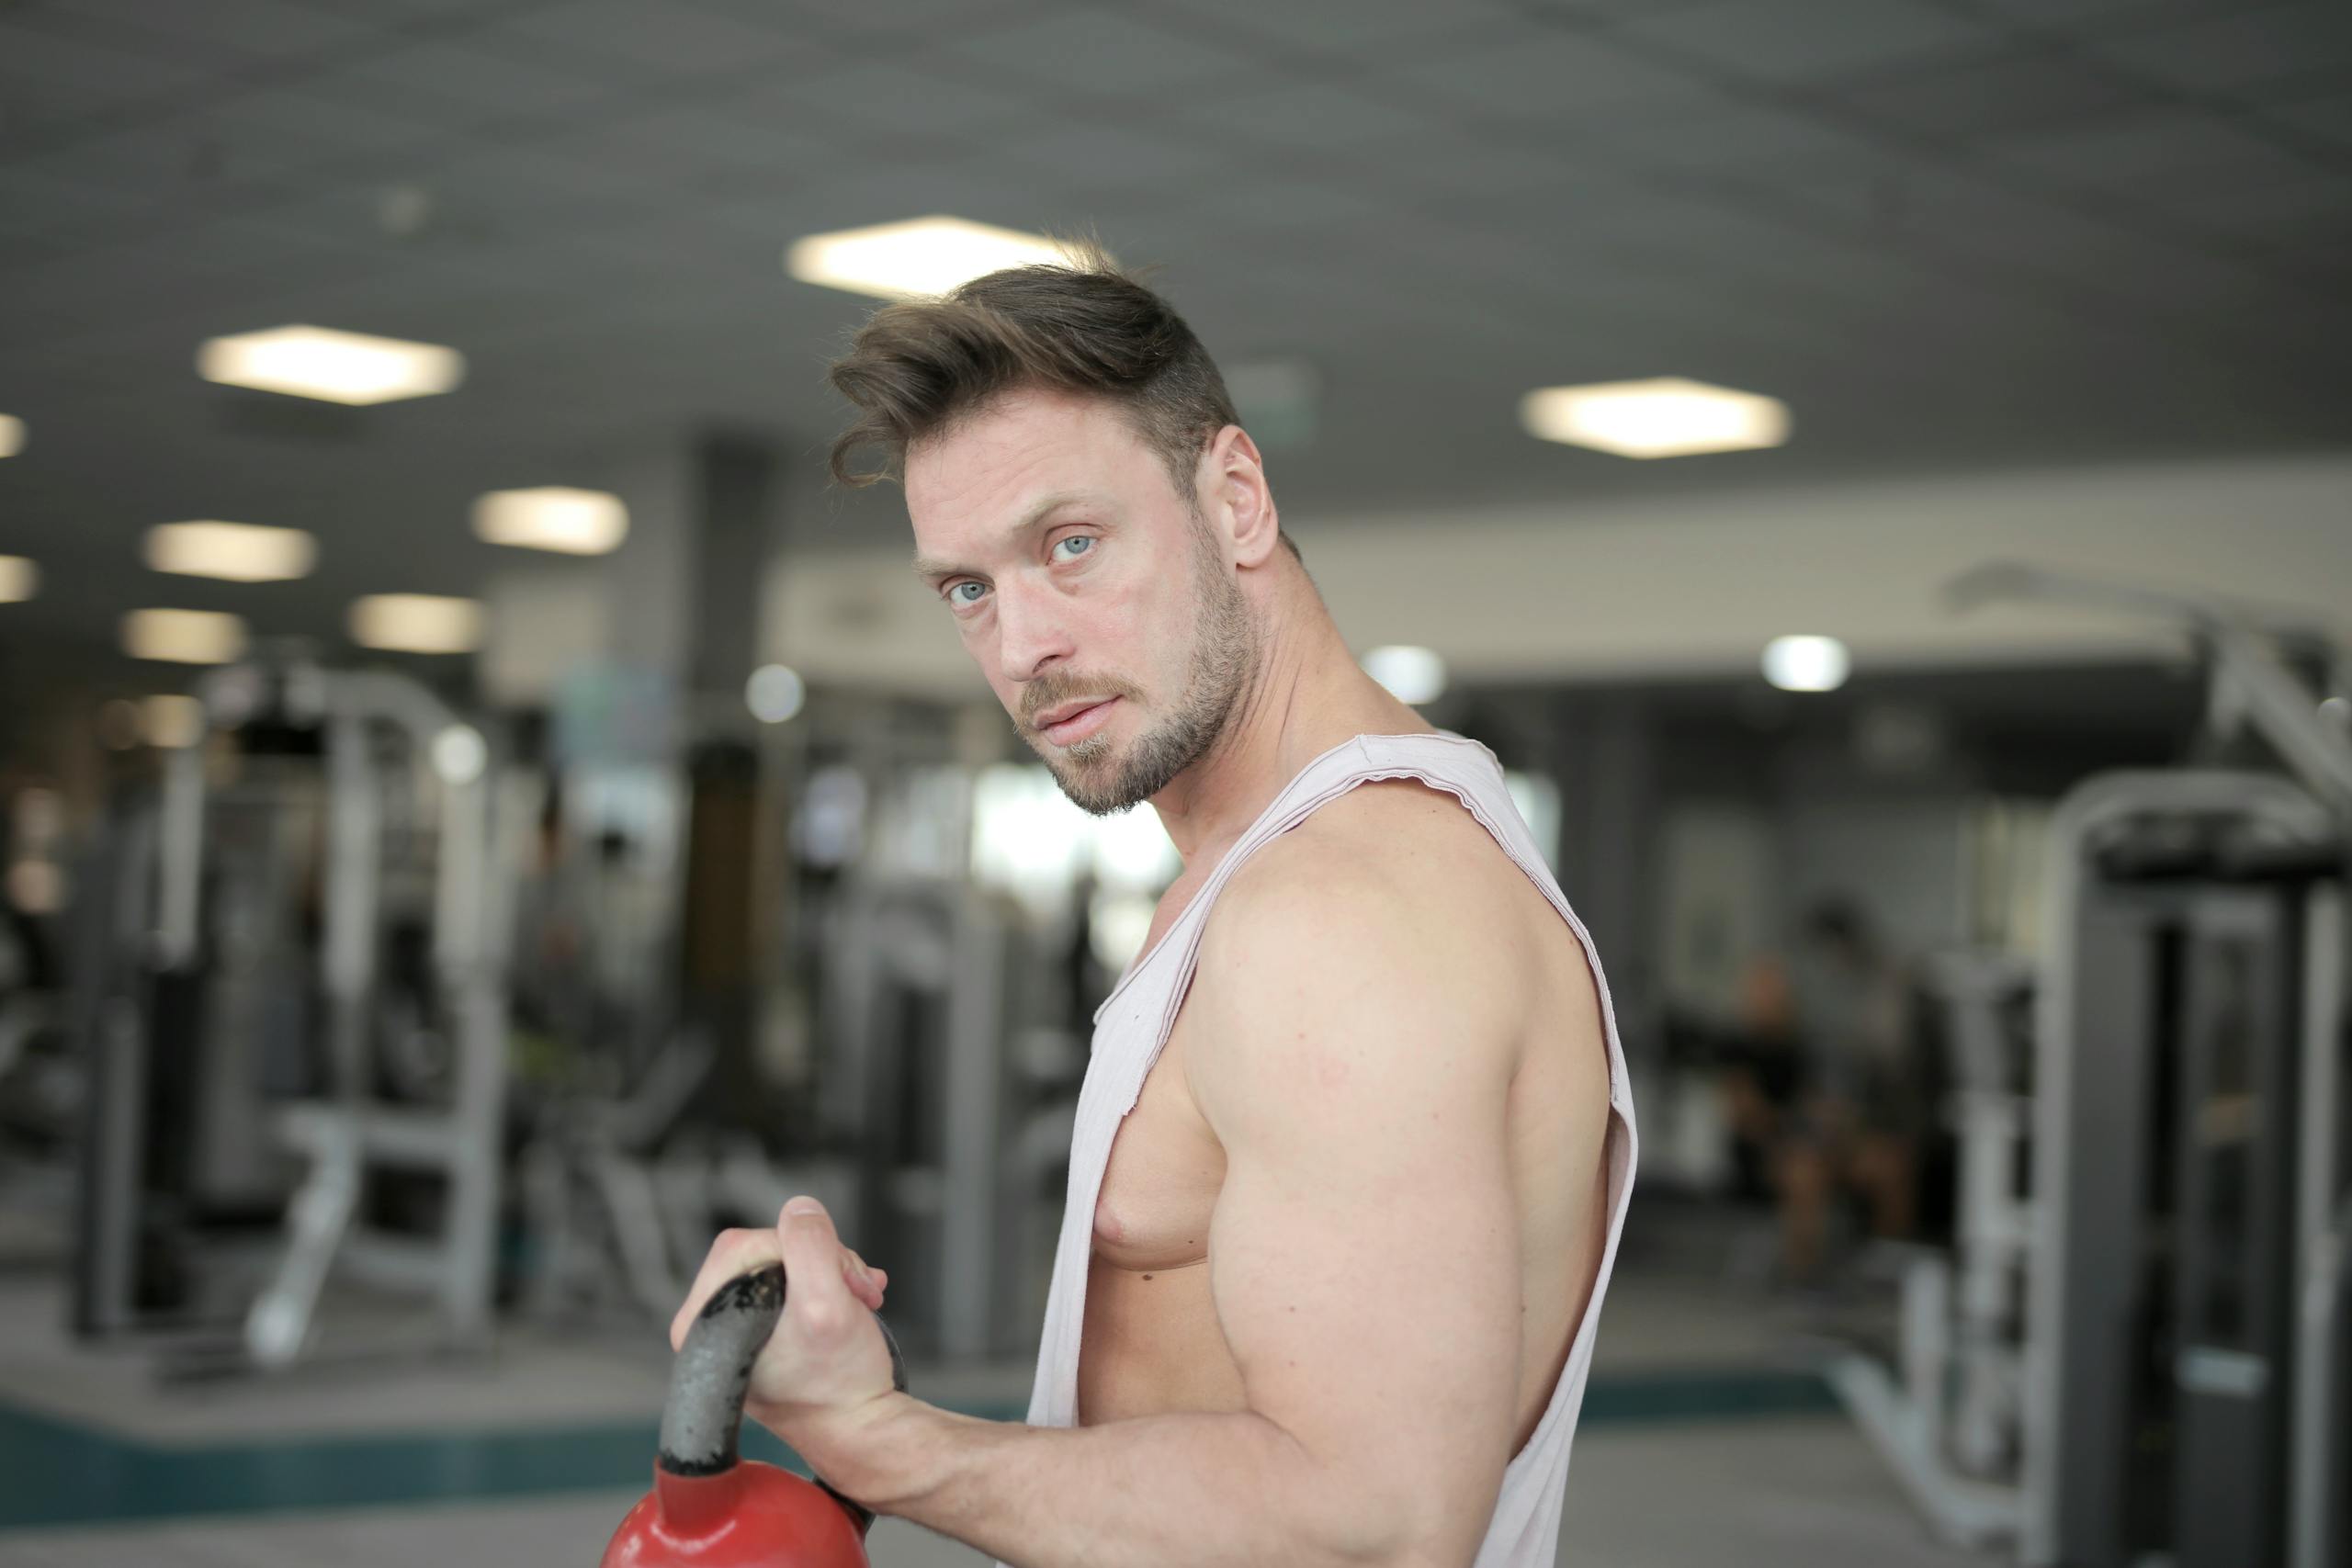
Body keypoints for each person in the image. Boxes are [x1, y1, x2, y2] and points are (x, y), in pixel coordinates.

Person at [673, 245, 1637, 1568]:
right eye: (969, 588)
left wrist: (881, 1441)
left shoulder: (1338, 911)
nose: (1022, 646)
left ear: (1235, 495)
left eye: (1070, 546)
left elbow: (1372, 1526)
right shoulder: (1252, 870)